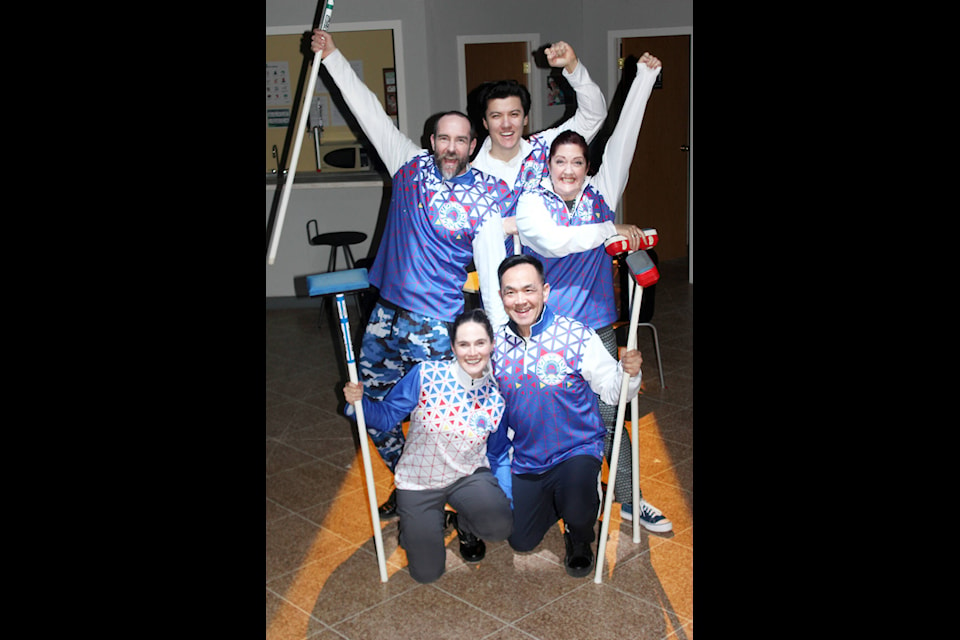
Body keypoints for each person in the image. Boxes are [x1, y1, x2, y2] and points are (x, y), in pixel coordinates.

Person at [311, 30, 511, 519]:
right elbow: (368, 110)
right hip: (385, 317)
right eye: (443, 138)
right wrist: (333, 57)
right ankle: (412, 487)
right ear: (431, 140)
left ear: (473, 144)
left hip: (438, 326)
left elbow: (534, 235)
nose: (450, 146)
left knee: (443, 423)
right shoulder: (408, 166)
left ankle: (457, 503)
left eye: (460, 139)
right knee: (371, 411)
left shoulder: (492, 192)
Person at [510, 53, 672, 534]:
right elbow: (556, 242)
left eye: (577, 161)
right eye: (561, 161)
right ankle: (565, 499)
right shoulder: (532, 203)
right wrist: (608, 229)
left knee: (609, 414)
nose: (569, 169)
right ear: (549, 165)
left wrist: (643, 77)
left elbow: (624, 137)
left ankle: (629, 498)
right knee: (552, 418)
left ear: (586, 166)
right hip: (548, 330)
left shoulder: (601, 191)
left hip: (598, 326)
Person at [492, 254, 642, 578]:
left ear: (545, 291)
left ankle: (580, 529)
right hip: (529, 456)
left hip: (578, 448)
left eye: (529, 290)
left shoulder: (576, 335)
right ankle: (573, 500)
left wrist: (629, 374)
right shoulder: (494, 346)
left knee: (577, 507)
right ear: (501, 295)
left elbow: (614, 392)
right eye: (511, 292)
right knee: (520, 539)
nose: (520, 301)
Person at [343, 309, 513, 583]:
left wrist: (504, 498)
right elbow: (386, 417)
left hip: (467, 476)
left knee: (498, 525)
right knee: (426, 573)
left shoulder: (497, 396)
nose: (472, 352)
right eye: (463, 344)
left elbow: (497, 452)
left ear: (491, 345)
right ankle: (416, 526)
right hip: (419, 482)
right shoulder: (427, 375)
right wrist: (359, 403)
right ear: (453, 346)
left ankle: (463, 519)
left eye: (480, 343)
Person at [470, 41, 607, 231]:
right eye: (496, 116)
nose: (506, 124)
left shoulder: (546, 147)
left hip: (553, 260)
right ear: (485, 122)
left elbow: (593, 115)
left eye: (514, 114)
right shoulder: (471, 176)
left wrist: (572, 66)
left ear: (525, 119)